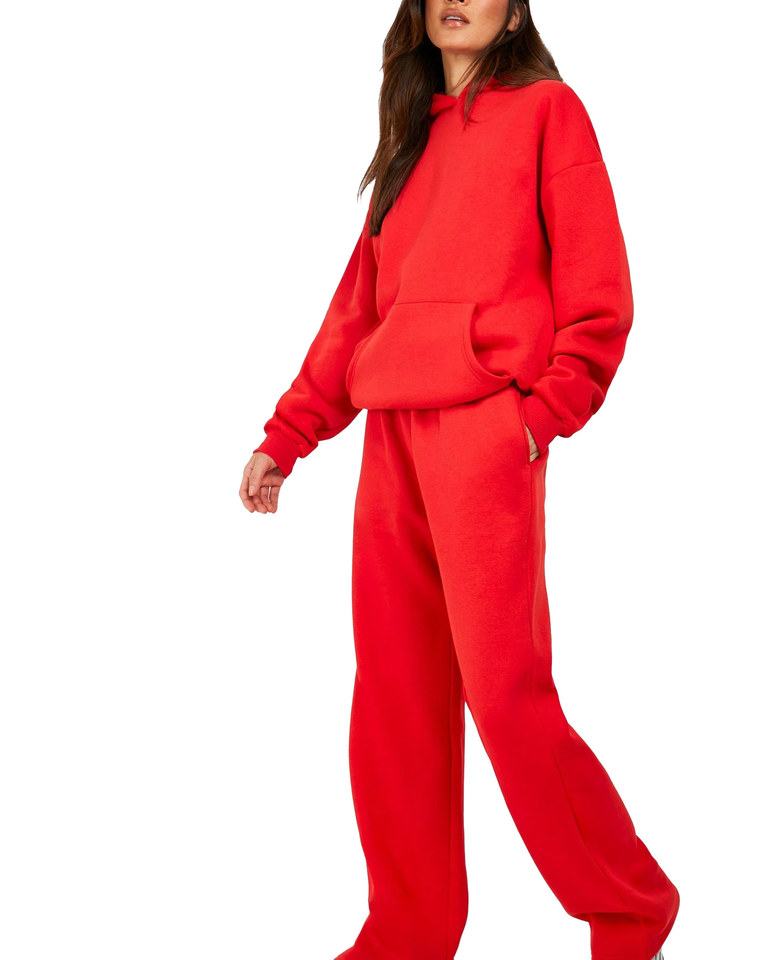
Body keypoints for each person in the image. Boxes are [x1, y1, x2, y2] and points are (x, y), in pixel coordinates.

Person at [239, 2, 680, 958]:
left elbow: (600, 293)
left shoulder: (549, 113)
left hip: (485, 435)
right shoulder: (410, 139)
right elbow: (358, 311)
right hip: (390, 442)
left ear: (515, 12)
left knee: (505, 696)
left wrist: (536, 419)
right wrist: (290, 434)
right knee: (394, 701)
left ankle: (630, 906)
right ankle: (408, 930)